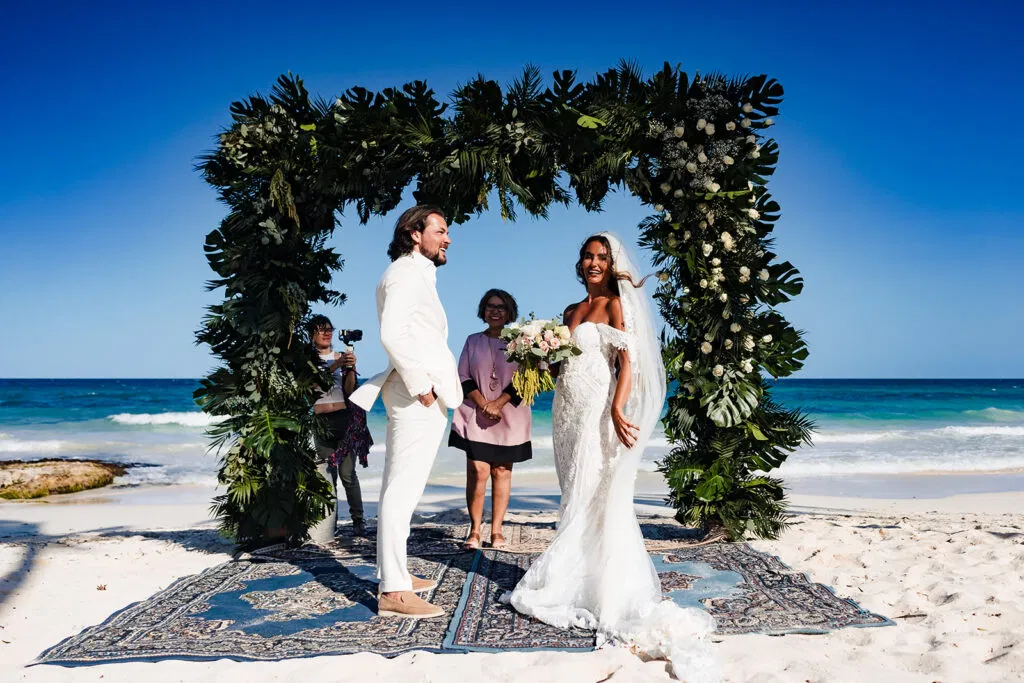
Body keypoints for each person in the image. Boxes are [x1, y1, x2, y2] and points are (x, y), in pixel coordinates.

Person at [504, 233, 716, 679]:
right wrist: (535, 355)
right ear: (579, 263)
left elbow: (628, 364)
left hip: (597, 411)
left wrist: (618, 409)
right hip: (566, 412)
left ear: (611, 264)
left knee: (592, 493)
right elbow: (561, 366)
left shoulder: (615, 306)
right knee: (572, 489)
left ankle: (591, 587)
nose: (594, 262)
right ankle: (580, 578)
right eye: (588, 256)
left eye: (602, 257)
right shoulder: (570, 312)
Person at [348, 205, 462, 620]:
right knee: (403, 489)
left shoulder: (416, 274)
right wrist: (421, 386)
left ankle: (391, 571)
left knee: (398, 486)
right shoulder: (404, 274)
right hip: (416, 393)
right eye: (441, 231)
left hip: (418, 390)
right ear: (416, 234)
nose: (448, 239)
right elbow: (393, 333)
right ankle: (394, 592)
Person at [449, 289, 532, 551]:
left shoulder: (522, 341)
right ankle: (475, 530)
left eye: (501, 307)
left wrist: (498, 403)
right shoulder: (472, 340)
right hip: (476, 413)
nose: (495, 311)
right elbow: (462, 377)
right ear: (483, 311)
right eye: (490, 306)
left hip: (510, 414)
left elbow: (527, 379)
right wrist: (484, 403)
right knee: (478, 470)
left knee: (502, 471)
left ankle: (497, 530)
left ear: (509, 312)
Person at [306, 315, 366, 540]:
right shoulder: (307, 360)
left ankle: (358, 520)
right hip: (321, 422)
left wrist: (349, 368)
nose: (326, 333)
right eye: (321, 330)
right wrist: (336, 366)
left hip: (344, 419)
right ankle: (329, 524)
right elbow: (313, 385)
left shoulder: (341, 356)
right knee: (327, 477)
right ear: (312, 334)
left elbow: (349, 390)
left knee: (347, 474)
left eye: (329, 329)